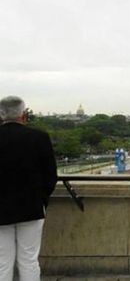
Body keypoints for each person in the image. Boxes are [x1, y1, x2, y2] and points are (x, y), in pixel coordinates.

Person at [0, 96, 58, 281]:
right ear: (24, 115)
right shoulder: (39, 138)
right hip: (31, 207)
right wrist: (41, 198)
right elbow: (50, 175)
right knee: (29, 260)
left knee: (2, 262)